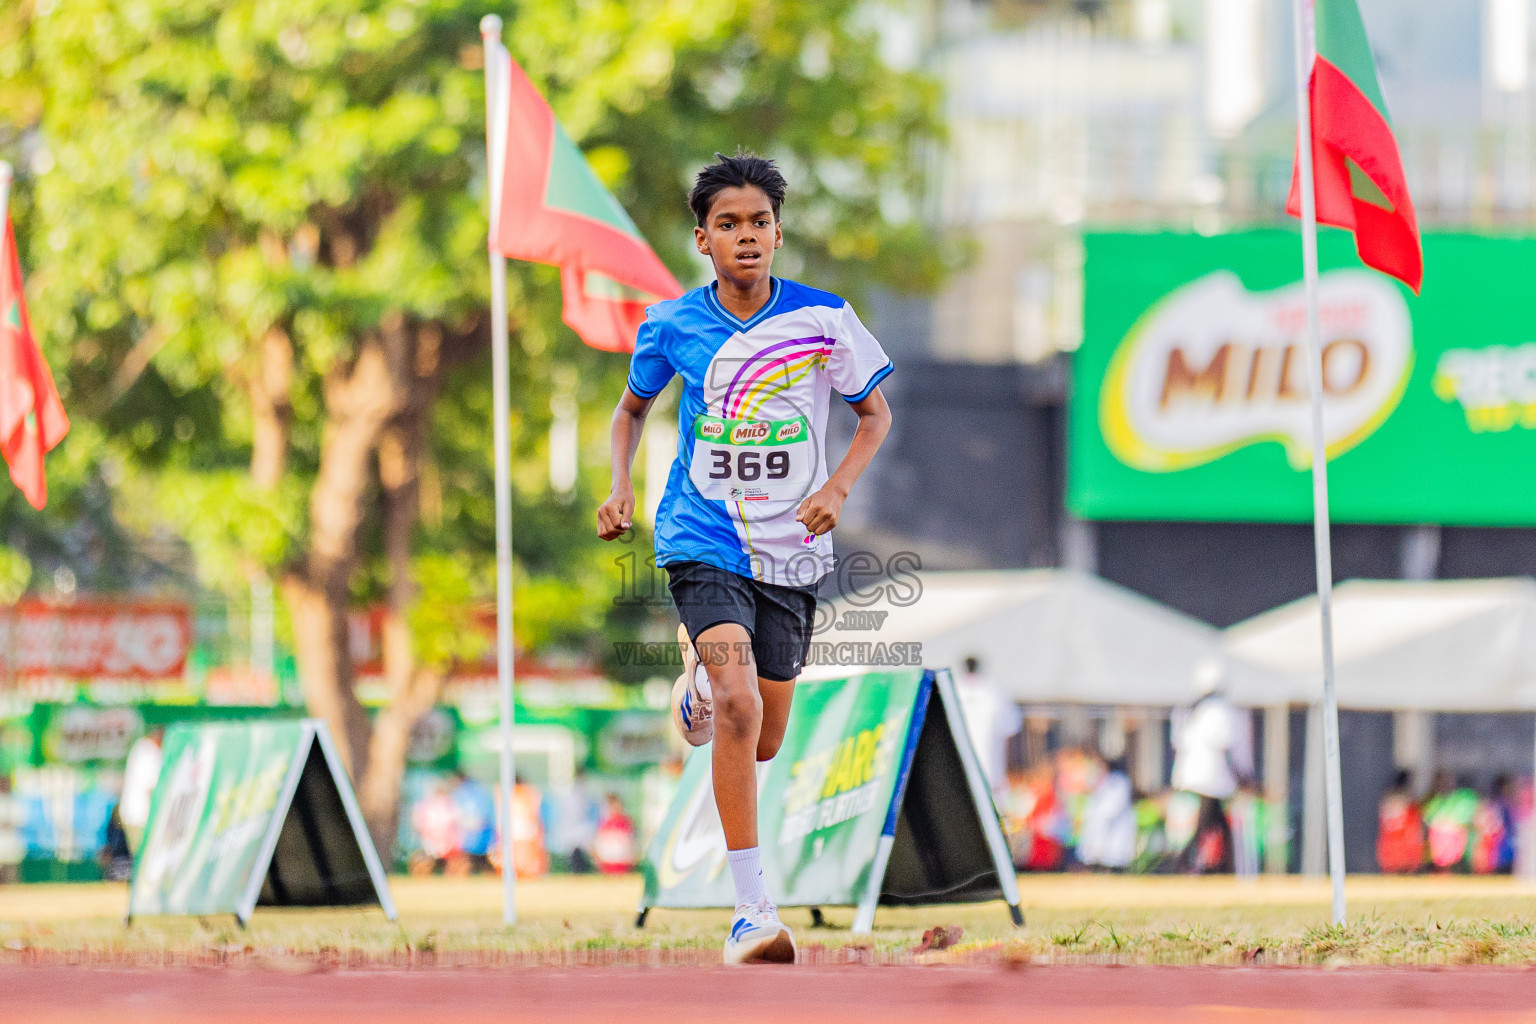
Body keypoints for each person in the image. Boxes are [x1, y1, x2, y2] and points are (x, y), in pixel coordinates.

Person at [598, 152, 894, 965]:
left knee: (761, 736)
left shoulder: (826, 319)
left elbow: (875, 417)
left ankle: (695, 683)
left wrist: (835, 490)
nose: (746, 237)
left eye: (758, 222)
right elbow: (629, 412)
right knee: (739, 709)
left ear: (778, 233)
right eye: (728, 224)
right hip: (702, 536)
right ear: (703, 239)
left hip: (793, 551)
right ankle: (752, 914)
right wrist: (619, 486)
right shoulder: (671, 326)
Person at [1170, 660, 1250, 873]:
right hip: (1213, 774)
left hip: (1192, 773)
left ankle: (1223, 865)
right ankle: (1182, 859)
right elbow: (1227, 744)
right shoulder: (1222, 710)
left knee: (1217, 820)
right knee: (1207, 821)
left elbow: (1178, 741)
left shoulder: (1190, 708)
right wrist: (1240, 773)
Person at [954, 655, 1023, 803]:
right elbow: (1011, 730)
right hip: (991, 774)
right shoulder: (995, 693)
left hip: (959, 773)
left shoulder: (953, 690)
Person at [119, 728, 163, 853]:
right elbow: (150, 787)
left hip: (134, 814)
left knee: (140, 858)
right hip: (141, 816)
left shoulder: (141, 747)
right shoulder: (149, 751)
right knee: (144, 857)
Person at [1376, 769, 1424, 874]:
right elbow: (1413, 828)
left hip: (1389, 847)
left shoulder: (1387, 800)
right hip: (1403, 847)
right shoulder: (1408, 803)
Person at [451, 771, 497, 875]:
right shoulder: (478, 791)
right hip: (480, 836)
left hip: (470, 836)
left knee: (463, 858)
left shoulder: (461, 793)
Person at [593, 792, 638, 874]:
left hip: (624, 868)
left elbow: (633, 846)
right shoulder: (603, 824)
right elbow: (597, 848)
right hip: (607, 868)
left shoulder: (627, 823)